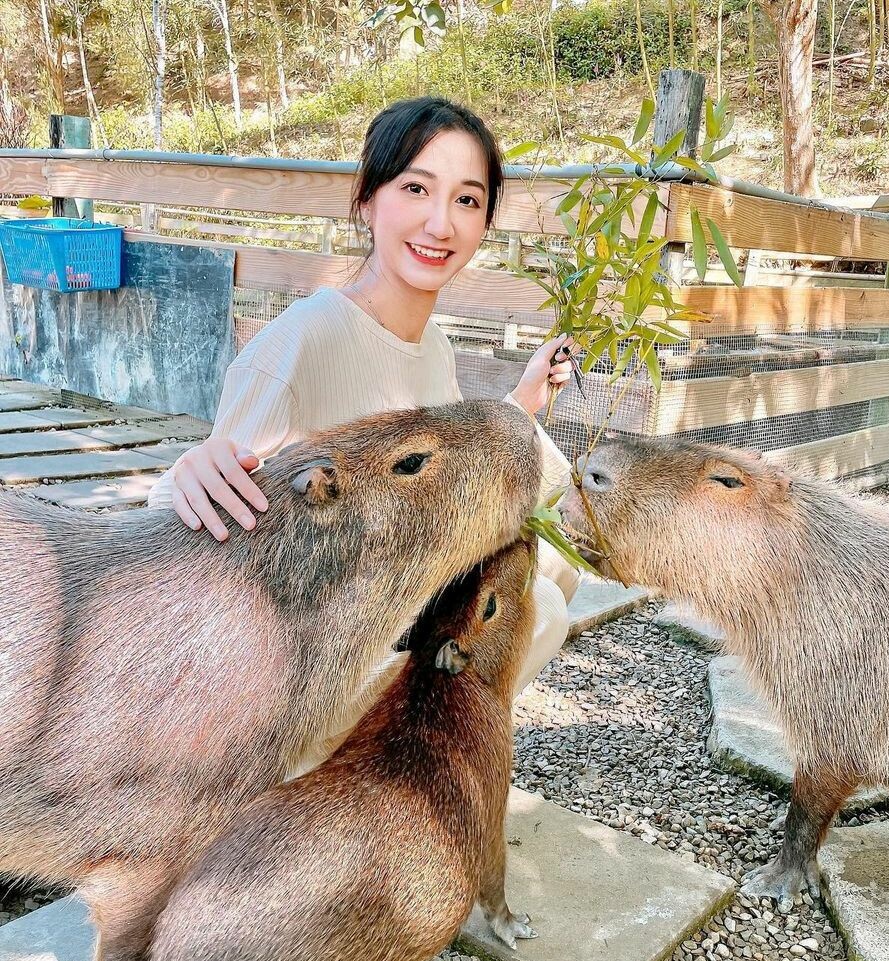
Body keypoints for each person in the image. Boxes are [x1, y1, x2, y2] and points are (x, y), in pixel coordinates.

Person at [148, 96, 580, 773]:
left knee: (546, 575)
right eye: (415, 189)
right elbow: (202, 523)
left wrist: (526, 399)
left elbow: (439, 481)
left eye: (467, 201)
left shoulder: (432, 346)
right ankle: (342, 784)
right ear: (368, 200)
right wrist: (184, 474)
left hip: (384, 615)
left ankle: (389, 774)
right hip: (295, 669)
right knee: (536, 605)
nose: (441, 223)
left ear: (485, 221)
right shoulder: (307, 337)